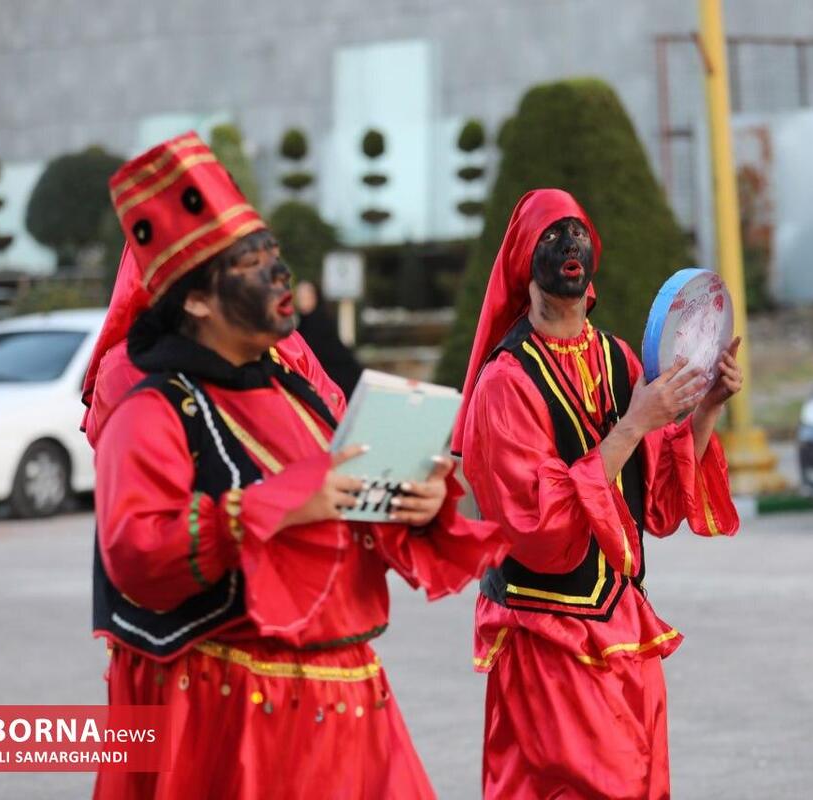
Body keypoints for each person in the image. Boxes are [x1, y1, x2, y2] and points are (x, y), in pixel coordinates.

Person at [86, 132, 506, 800]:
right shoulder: (153, 411)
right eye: (250, 262)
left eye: (273, 255)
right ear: (195, 299)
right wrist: (268, 506)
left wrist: (418, 506)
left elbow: (350, 500)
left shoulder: (298, 389)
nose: (278, 273)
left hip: (352, 705)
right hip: (232, 714)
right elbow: (136, 552)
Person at [452, 188, 742, 799]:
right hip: (548, 636)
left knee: (640, 784)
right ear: (525, 262)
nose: (569, 245)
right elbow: (538, 526)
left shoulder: (618, 359)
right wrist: (634, 423)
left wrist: (706, 408)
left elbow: (657, 502)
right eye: (552, 236)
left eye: (578, 232)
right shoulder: (503, 383)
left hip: (623, 625)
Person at [293, 280, 364, 400]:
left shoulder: (322, 323)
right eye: (300, 296)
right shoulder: (300, 327)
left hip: (338, 385)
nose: (302, 300)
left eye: (306, 296)